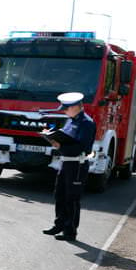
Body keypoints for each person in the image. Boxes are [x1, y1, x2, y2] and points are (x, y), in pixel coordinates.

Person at [42, 92, 96, 242]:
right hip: (66, 162)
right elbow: (65, 138)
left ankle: (70, 231)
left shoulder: (87, 123)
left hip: (77, 164)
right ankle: (59, 225)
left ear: (76, 107)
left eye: (66, 109)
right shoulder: (71, 120)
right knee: (59, 195)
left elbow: (82, 147)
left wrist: (60, 145)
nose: (64, 111)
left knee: (71, 199)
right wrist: (53, 139)